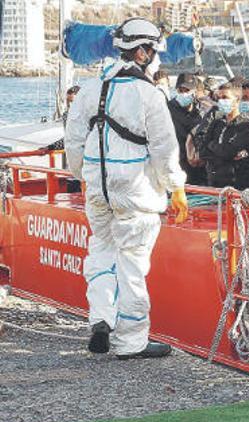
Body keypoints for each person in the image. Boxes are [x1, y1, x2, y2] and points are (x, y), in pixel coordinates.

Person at [65, 17, 188, 359]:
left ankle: (101, 318)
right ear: (143, 52)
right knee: (132, 264)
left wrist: (84, 175)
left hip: (98, 188)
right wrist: (176, 187)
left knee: (101, 253)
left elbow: (74, 142)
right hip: (136, 190)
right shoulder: (148, 94)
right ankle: (131, 341)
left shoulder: (90, 89)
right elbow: (165, 148)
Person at [199, 82, 249, 188]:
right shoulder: (217, 122)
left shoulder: (247, 125)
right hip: (213, 181)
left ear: (237, 100)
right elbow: (203, 152)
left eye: (225, 97)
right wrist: (218, 150)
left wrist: (212, 144)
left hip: (235, 183)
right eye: (219, 98)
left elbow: (229, 152)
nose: (221, 101)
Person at [168, 73, 206, 185]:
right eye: (181, 90)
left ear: (194, 91)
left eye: (187, 90)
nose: (184, 94)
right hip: (177, 163)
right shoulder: (167, 109)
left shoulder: (202, 110)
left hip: (198, 166)